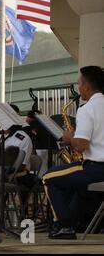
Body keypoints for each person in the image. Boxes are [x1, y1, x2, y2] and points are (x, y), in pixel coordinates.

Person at [43, 66, 104, 239]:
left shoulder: (87, 109)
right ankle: (72, 221)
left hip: (96, 168)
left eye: (79, 85)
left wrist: (70, 137)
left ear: (87, 87)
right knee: (72, 183)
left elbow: (81, 146)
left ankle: (64, 226)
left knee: (49, 178)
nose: (79, 89)